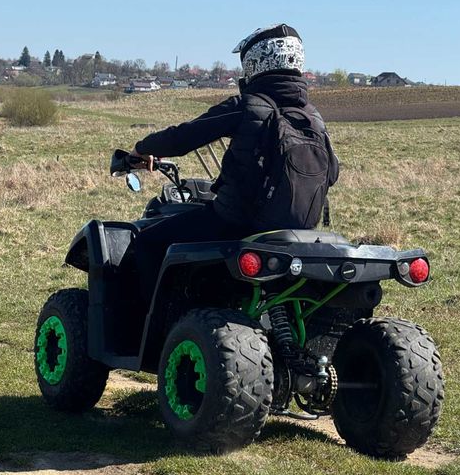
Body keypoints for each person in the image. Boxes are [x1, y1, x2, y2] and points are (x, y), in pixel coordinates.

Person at [126, 23, 334, 304]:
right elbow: (332, 172)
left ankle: (157, 325)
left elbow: (182, 137)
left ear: (255, 62)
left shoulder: (247, 105)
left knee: (148, 243)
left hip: (236, 222)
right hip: (301, 231)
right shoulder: (313, 117)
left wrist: (141, 149)